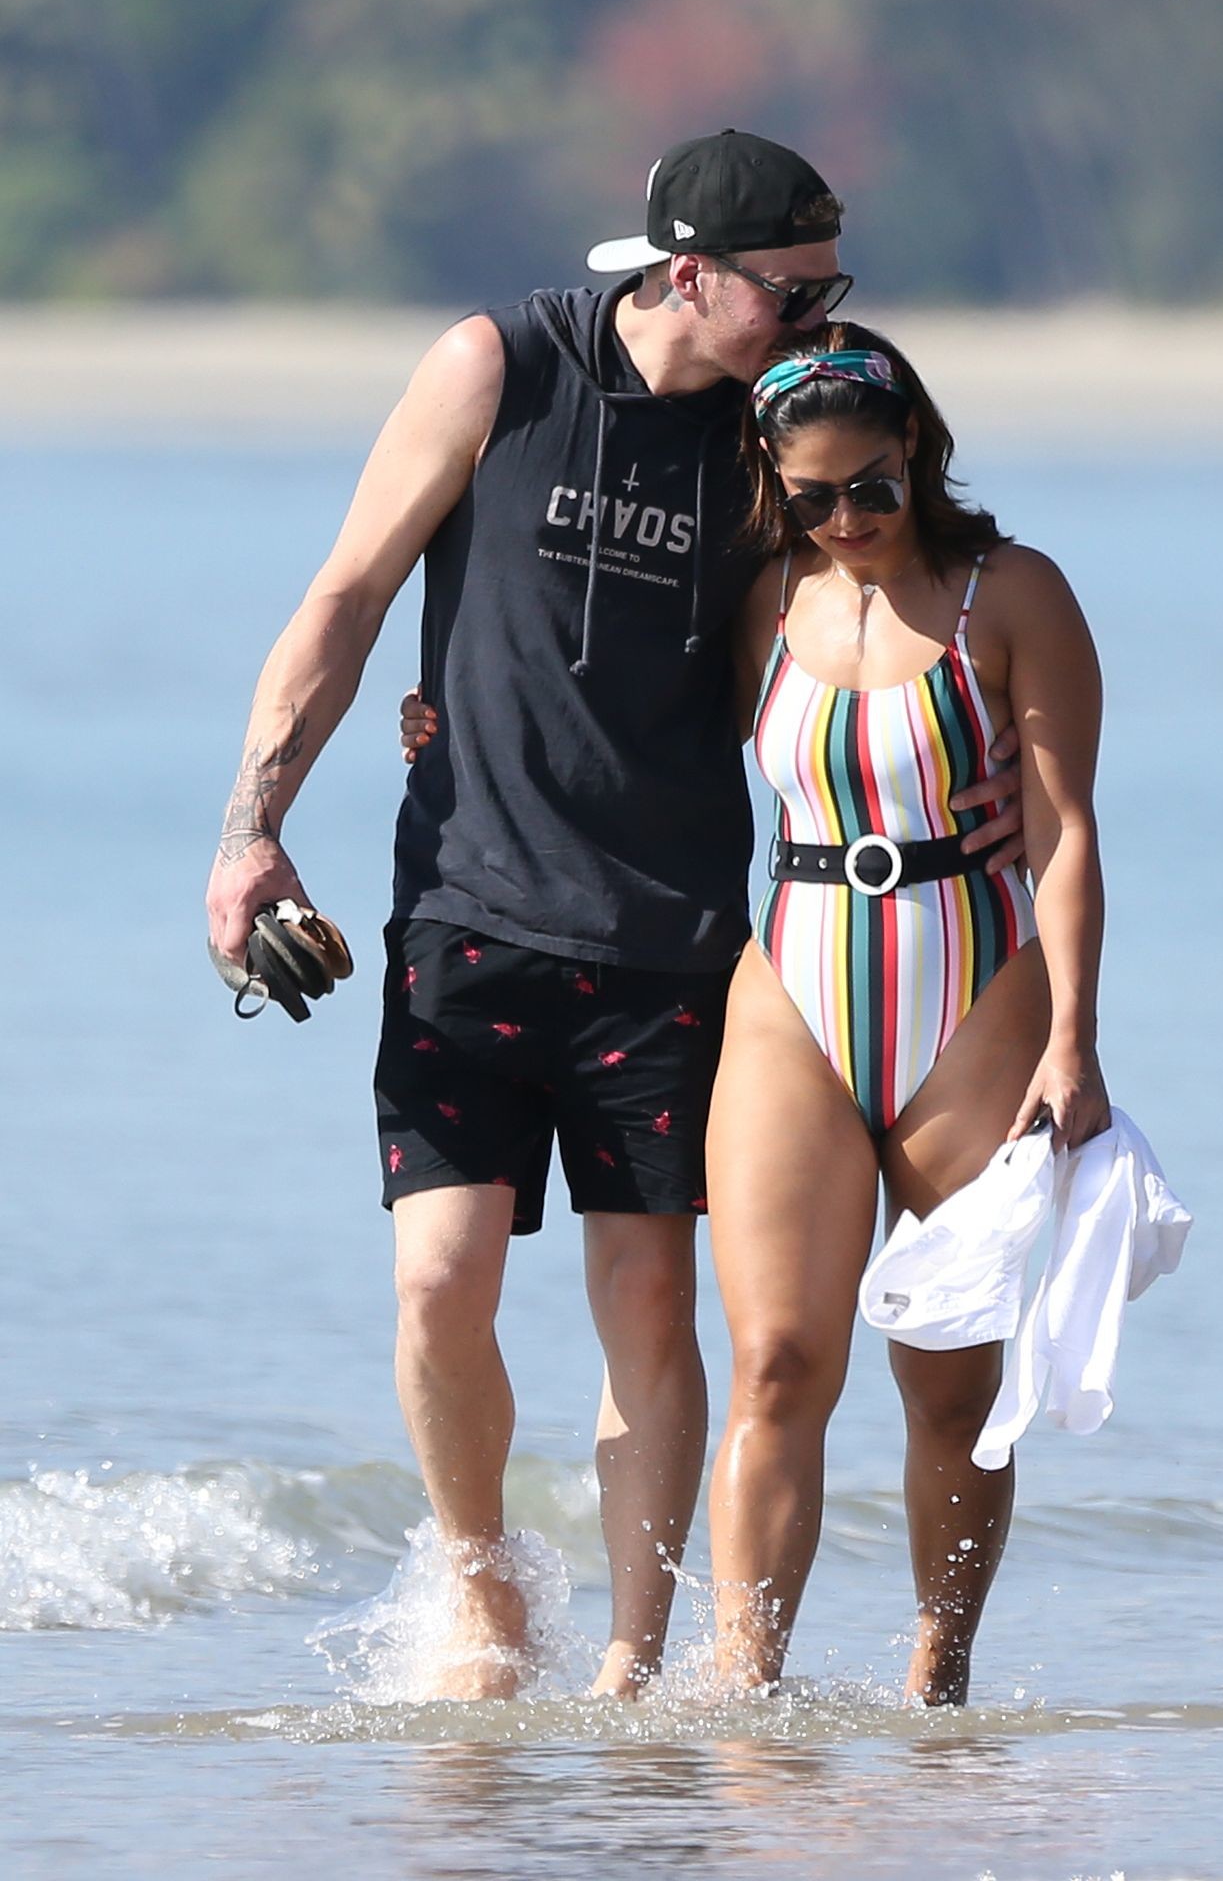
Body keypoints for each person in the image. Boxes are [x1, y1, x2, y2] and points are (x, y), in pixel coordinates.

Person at [207, 131, 1024, 1702]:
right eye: (793, 290)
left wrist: (994, 786)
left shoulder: (776, 434)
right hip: (467, 903)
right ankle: (483, 1593)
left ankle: (631, 1673)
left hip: (669, 931)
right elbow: (349, 594)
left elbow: (897, 598)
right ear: (690, 272)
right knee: (438, 1282)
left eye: (832, 288)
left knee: (646, 1299)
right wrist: (252, 833)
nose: (819, 317)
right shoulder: (499, 366)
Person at [700, 324, 1109, 1706]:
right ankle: (744, 1694)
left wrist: (1074, 1041)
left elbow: (1064, 831)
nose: (847, 521)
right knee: (776, 1363)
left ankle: (939, 1679)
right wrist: (440, 717)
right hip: (794, 986)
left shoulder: (1013, 593)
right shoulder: (765, 597)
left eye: (870, 487)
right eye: (813, 497)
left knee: (947, 1381)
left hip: (975, 990)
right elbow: (628, 740)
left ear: (917, 449)